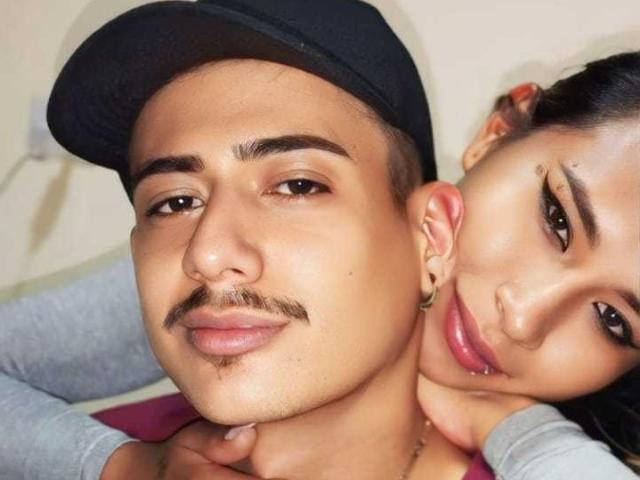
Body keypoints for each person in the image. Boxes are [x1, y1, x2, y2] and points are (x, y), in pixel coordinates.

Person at [0, 0, 637, 479]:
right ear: (497, 135)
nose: (521, 317)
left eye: (614, 319)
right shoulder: (226, 281)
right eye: (556, 217)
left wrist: (524, 432)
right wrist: (115, 465)